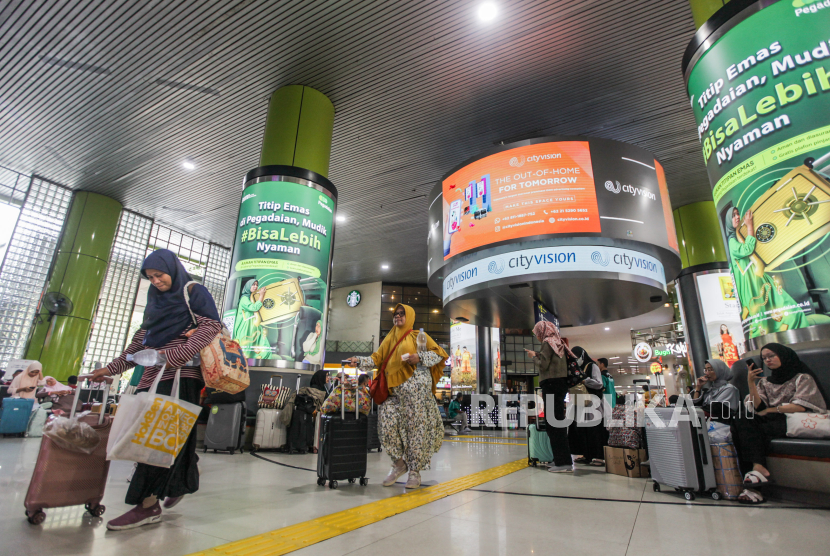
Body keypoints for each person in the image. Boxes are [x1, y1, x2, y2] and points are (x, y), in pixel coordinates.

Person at [90, 249, 222, 530]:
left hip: (180, 375)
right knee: (174, 434)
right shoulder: (156, 299)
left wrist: (176, 355)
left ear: (172, 270)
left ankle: (147, 506)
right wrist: (112, 368)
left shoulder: (193, 290)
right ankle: (181, 480)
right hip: (153, 374)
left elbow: (211, 325)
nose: (156, 281)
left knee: (152, 440)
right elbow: (143, 336)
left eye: (159, 275)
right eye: (150, 277)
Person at [347, 304, 447, 489]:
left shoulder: (418, 336)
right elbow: (376, 358)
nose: (398, 316)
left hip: (416, 393)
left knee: (415, 432)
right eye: (396, 314)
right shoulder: (389, 338)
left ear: (409, 316)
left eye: (402, 314)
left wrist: (420, 357)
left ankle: (415, 472)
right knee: (386, 428)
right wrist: (359, 360)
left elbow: (439, 354)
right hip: (391, 393)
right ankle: (399, 465)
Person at [732, 343, 827, 504]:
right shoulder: (765, 382)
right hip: (771, 420)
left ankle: (755, 481)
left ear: (783, 356)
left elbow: (800, 406)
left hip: (793, 419)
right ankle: (756, 471)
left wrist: (770, 410)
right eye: (764, 358)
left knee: (752, 429)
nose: (768, 360)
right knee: (741, 420)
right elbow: (757, 407)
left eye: (771, 356)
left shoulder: (801, 378)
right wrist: (751, 383)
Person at [725, 208, 807, 338]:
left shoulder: (738, 235)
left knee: (783, 304)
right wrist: (750, 226)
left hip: (756, 279)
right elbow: (747, 249)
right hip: (750, 282)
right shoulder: (731, 241)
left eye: (737, 214)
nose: (737, 217)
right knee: (760, 313)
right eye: (733, 215)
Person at [526, 321, 574, 473]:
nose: (537, 336)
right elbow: (551, 362)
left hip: (551, 384)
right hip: (560, 384)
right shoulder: (558, 342)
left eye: (537, 333)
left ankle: (563, 463)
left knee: (553, 424)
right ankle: (561, 460)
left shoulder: (547, 342)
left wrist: (534, 356)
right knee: (557, 422)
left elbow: (543, 365)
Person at [569, 346, 609, 467]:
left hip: (593, 403)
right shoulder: (576, 368)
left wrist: (584, 381)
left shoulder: (592, 366)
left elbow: (599, 384)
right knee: (582, 430)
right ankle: (586, 454)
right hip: (581, 403)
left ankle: (598, 456)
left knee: (594, 430)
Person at [232, 279, 273, 359]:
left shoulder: (252, 297)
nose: (255, 286)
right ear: (248, 286)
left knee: (264, 347)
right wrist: (261, 295)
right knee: (246, 350)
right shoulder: (244, 299)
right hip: (246, 328)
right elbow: (254, 308)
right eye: (253, 284)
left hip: (254, 326)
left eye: (257, 285)